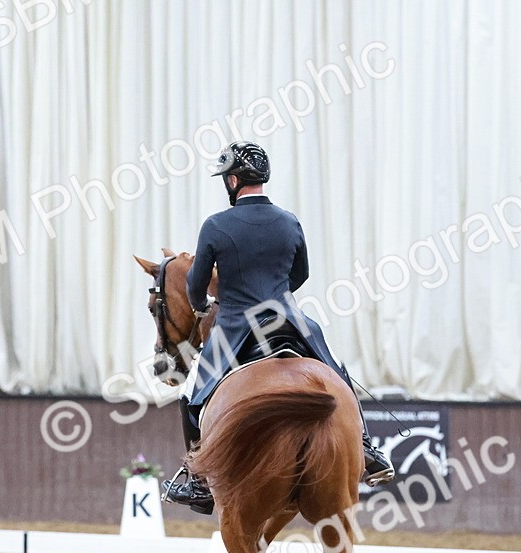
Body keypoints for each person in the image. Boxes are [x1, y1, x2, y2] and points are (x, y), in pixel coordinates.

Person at [163, 140, 395, 514]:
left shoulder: (216, 225)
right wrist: (276, 296)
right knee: (337, 371)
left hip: (236, 324)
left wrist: (202, 305)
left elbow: (196, 284)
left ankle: (197, 480)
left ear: (233, 180)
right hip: (290, 318)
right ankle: (367, 448)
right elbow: (300, 273)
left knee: (190, 394)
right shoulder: (289, 221)